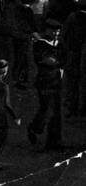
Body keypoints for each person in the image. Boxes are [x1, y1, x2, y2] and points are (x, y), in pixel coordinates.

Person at [28, 20, 64, 151]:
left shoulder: (59, 45)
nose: (55, 33)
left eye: (57, 31)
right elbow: (44, 60)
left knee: (56, 111)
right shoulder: (41, 44)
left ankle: (54, 141)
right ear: (47, 30)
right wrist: (57, 62)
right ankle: (34, 127)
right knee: (47, 109)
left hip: (56, 81)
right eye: (53, 31)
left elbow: (62, 60)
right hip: (44, 81)